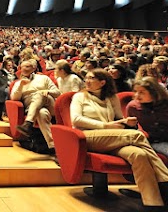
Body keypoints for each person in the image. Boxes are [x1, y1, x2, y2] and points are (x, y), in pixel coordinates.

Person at [71, 69, 168, 210]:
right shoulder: (79, 97)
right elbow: (76, 119)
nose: (86, 81)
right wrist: (105, 125)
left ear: (102, 82)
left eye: (91, 78)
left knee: (139, 154)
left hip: (111, 138)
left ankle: (153, 204)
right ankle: (165, 177)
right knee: (137, 135)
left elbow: (117, 119)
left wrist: (126, 121)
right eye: (86, 78)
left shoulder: (112, 98)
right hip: (88, 137)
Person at [12, 60, 61, 154]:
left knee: (39, 94)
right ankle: (55, 148)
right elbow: (14, 98)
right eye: (22, 67)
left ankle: (28, 122)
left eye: (27, 67)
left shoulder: (43, 78)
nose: (24, 69)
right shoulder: (19, 83)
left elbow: (58, 93)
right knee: (42, 113)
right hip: (32, 108)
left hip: (49, 103)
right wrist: (20, 86)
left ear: (33, 68)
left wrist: (48, 91)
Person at [128, 77, 168, 157]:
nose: (137, 95)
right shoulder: (132, 107)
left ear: (154, 92)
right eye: (135, 91)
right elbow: (131, 129)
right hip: (153, 142)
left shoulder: (165, 104)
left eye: (142, 92)